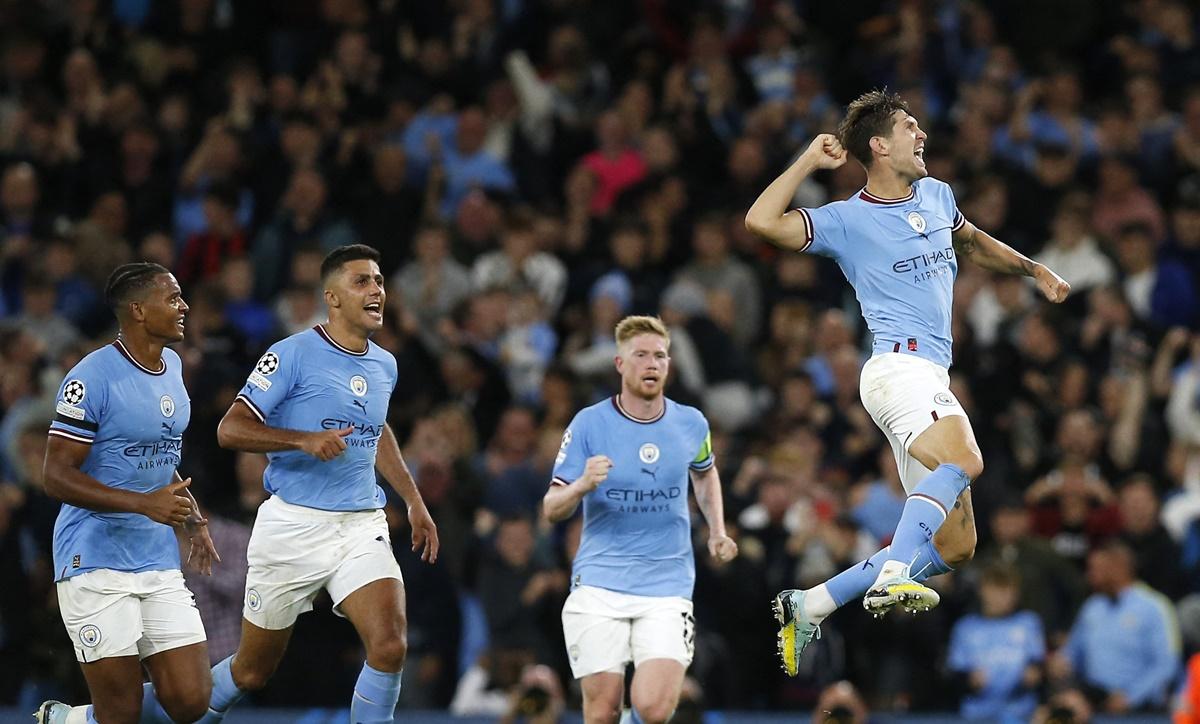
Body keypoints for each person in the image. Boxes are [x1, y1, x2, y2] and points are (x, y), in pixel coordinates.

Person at [745, 90, 1072, 675]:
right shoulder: (848, 218)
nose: (922, 136)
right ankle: (895, 571)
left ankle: (811, 603)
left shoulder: (937, 195)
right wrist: (806, 162)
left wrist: (1032, 268)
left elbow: (970, 242)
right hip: (897, 369)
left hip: (927, 374)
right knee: (966, 458)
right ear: (878, 145)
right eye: (909, 127)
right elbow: (760, 222)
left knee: (954, 547)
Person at [142, 244, 440, 722]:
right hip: (293, 527)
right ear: (333, 298)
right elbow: (230, 428)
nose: (376, 291)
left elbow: (377, 429)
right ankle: (137, 713)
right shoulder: (292, 354)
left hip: (361, 524)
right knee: (252, 670)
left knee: (388, 645)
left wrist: (413, 499)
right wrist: (302, 440)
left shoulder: (385, 364)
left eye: (380, 281)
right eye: (362, 281)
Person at [36, 262, 220, 724]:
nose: (184, 306)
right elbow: (55, 475)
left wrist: (189, 516)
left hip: (155, 556)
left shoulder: (173, 366)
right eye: (173, 298)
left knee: (192, 700)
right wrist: (144, 504)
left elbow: (155, 453)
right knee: (120, 713)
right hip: (93, 560)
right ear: (138, 310)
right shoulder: (90, 377)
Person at [543, 315, 738, 724]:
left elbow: (704, 473)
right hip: (599, 583)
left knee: (652, 708)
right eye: (642, 355)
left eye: (661, 356)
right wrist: (580, 486)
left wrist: (717, 530)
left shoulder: (691, 423)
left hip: (667, 585)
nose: (652, 364)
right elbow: (551, 506)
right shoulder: (589, 424)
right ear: (619, 364)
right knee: (601, 712)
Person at [946, 563, 1045, 722]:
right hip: (977, 713)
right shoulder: (966, 627)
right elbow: (955, 674)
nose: (1004, 597)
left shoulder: (1028, 623)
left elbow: (1038, 665)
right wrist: (970, 682)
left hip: (1022, 712)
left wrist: (1034, 674)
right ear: (983, 590)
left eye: (1009, 591)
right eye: (998, 590)